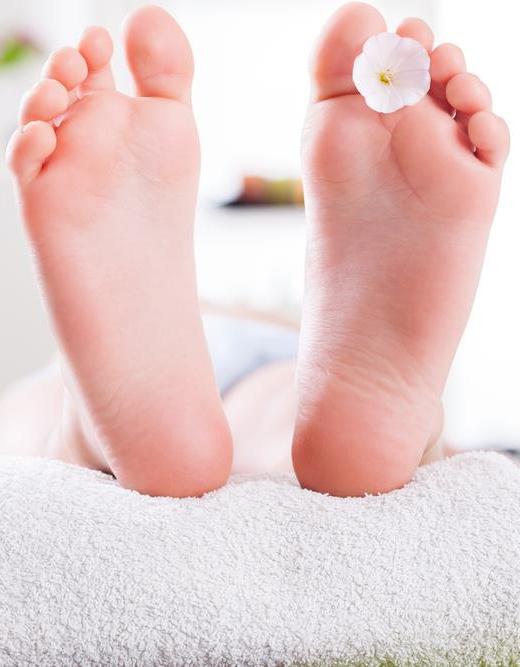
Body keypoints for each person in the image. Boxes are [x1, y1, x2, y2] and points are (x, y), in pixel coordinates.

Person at [0, 3, 509, 499]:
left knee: (31, 408)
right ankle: (396, 440)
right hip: (288, 357)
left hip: (237, 349)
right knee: (284, 410)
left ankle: (82, 432)